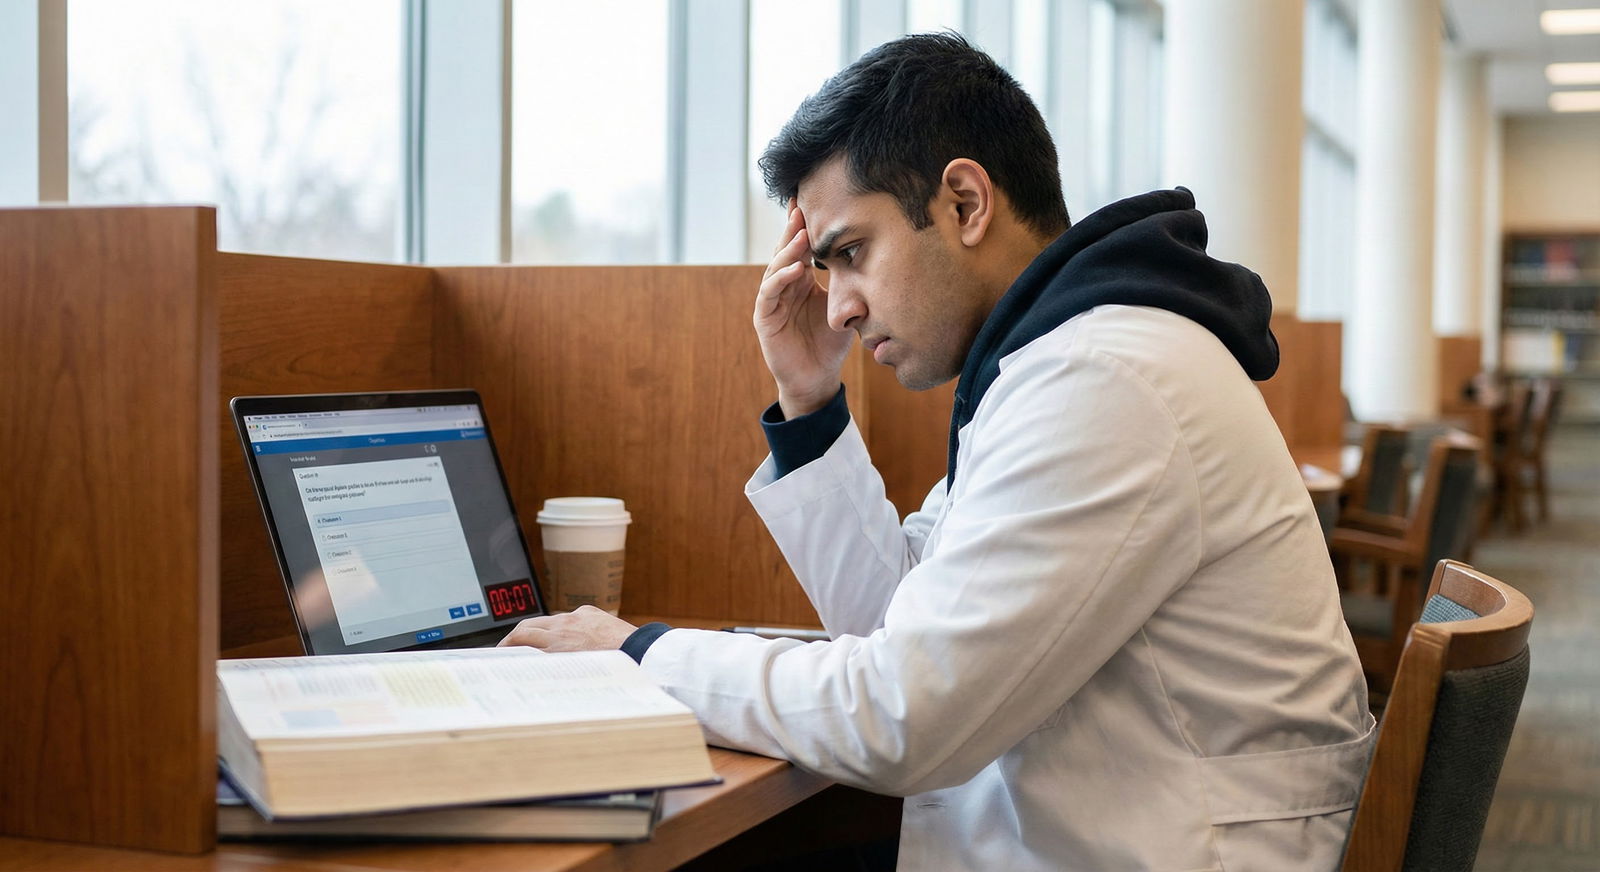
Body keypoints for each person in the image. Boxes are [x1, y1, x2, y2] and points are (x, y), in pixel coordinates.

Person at [501, 33, 1374, 870]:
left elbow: (902, 718)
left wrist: (638, 655)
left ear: (965, 202)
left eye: (851, 253)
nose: (837, 306)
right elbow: (898, 626)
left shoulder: (1104, 379)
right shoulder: (1056, 359)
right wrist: (809, 401)